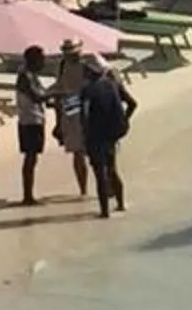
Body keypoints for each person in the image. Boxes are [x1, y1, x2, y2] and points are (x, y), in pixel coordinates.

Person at [79, 58, 136, 217]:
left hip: (95, 136)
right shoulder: (113, 85)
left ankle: (104, 211)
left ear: (90, 72)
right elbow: (132, 104)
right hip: (111, 135)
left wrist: (84, 136)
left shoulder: (87, 90)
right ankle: (120, 204)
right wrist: (124, 121)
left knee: (100, 174)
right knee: (112, 170)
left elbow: (84, 115)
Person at [53, 44, 94, 197]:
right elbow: (59, 92)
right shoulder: (62, 65)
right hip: (71, 110)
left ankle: (101, 184)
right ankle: (83, 189)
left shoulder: (87, 65)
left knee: (91, 151)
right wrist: (58, 121)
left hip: (85, 108)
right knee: (78, 152)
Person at [13, 45, 52, 205]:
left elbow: (42, 96)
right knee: (30, 158)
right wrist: (56, 92)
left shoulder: (31, 75)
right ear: (33, 60)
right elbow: (37, 97)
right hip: (29, 121)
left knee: (32, 158)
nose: (43, 62)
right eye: (41, 59)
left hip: (34, 119)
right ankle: (27, 196)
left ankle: (28, 194)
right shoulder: (25, 77)